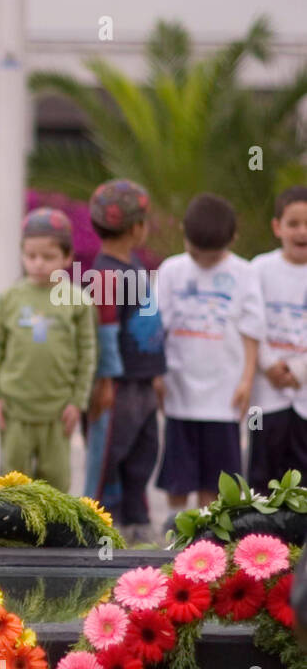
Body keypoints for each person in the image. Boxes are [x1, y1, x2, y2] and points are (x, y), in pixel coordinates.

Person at [155, 193, 263, 509]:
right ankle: (175, 527)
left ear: (233, 238)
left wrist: (246, 380)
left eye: (211, 257)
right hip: (179, 392)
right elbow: (154, 326)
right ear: (183, 232)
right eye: (196, 253)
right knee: (178, 473)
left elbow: (252, 330)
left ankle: (206, 532)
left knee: (215, 479)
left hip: (224, 394)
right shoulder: (171, 270)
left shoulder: (245, 273)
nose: (202, 262)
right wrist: (157, 375)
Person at [0, 208, 96, 491]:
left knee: (55, 484)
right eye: (31, 256)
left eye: (48, 257)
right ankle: (12, 532)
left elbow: (87, 354)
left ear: (67, 257)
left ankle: (52, 535)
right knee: (13, 484)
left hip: (58, 411)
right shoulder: (10, 298)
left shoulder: (77, 301)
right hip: (15, 408)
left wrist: (77, 402)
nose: (38, 264)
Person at [82, 180, 165, 541]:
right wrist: (104, 383)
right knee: (108, 458)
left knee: (143, 453)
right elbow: (104, 334)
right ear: (135, 227)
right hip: (116, 386)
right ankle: (97, 525)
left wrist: (157, 374)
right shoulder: (105, 274)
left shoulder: (133, 267)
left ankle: (136, 523)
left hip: (143, 383)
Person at [248, 186, 307, 490]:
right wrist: (269, 364)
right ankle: (263, 538)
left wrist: (298, 370)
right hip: (266, 396)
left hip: (304, 396)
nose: (302, 232)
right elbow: (249, 322)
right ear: (277, 227)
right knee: (262, 480)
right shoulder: (259, 269)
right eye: (294, 224)